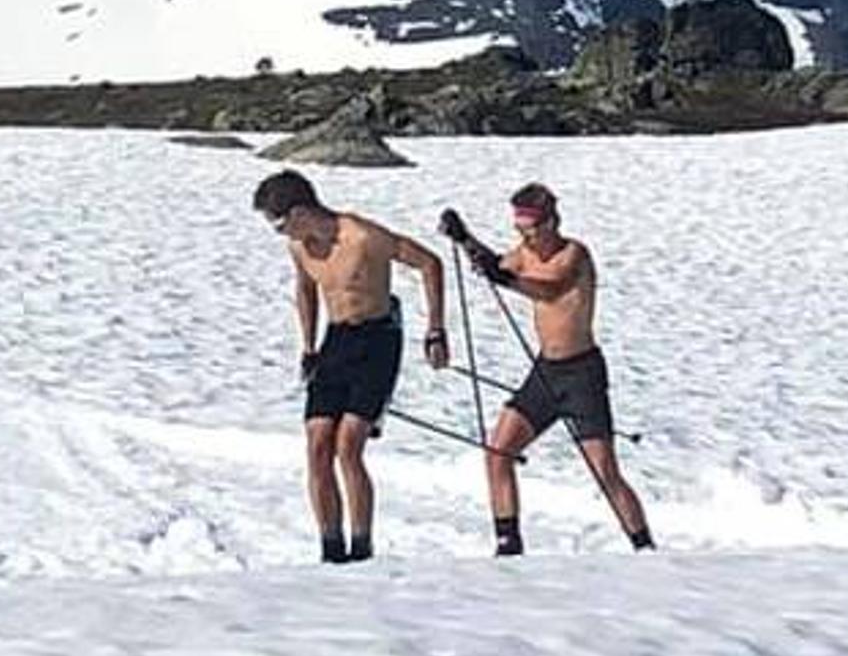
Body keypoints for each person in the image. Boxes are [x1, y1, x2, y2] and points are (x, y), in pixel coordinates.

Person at [439, 183, 653, 556]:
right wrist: (464, 238)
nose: (527, 237)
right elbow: (496, 265)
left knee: (605, 472)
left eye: (533, 229)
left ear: (552, 221)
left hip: (582, 374)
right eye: (520, 230)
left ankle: (644, 546)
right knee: (497, 452)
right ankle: (508, 545)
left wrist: (501, 276)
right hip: (545, 373)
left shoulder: (574, 255)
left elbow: (549, 289)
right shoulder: (524, 253)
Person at [252, 168, 451, 563]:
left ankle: (361, 547)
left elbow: (430, 263)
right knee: (317, 444)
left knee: (349, 446)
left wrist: (436, 330)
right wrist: (307, 347)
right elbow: (306, 288)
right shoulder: (300, 248)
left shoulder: (362, 237)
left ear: (299, 212)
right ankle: (330, 547)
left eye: (279, 225)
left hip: (377, 340)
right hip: (336, 340)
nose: (281, 235)